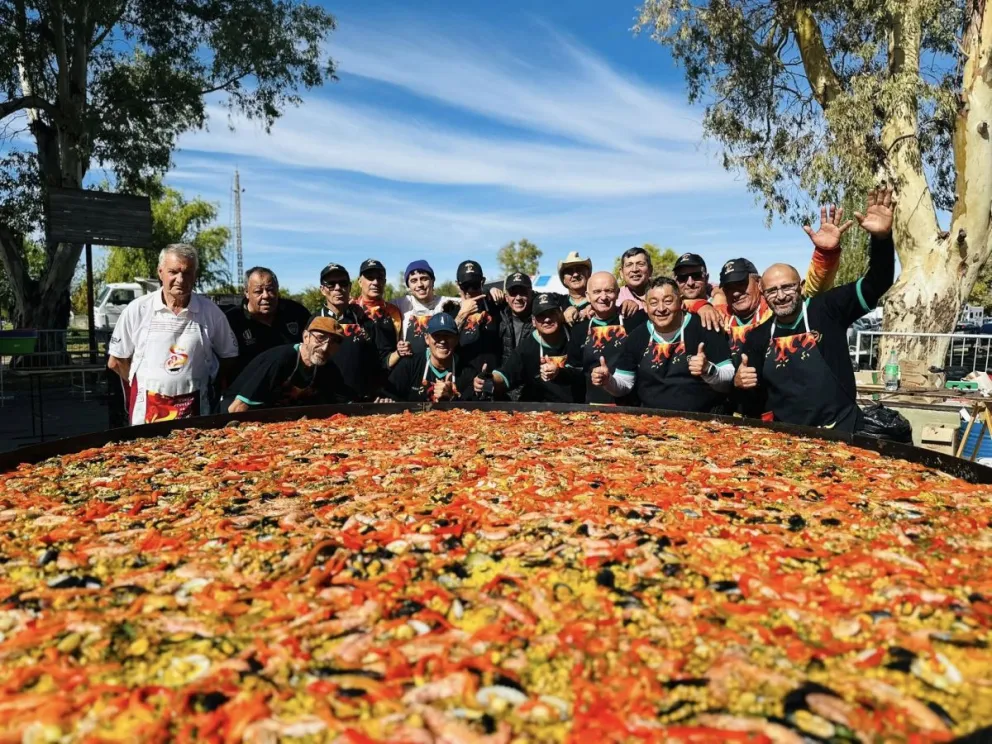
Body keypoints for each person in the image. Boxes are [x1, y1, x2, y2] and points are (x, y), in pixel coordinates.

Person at [735, 188, 895, 433]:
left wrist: (882, 239)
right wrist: (740, 384)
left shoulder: (828, 309)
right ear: (763, 295)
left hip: (842, 430)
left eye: (787, 287)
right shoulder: (757, 338)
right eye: (772, 291)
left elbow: (877, 282)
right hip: (787, 438)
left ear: (800, 286)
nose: (780, 296)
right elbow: (755, 404)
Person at [108, 243, 239, 425]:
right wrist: (142, 385)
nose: (180, 279)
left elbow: (229, 356)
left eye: (187, 273)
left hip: (197, 409)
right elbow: (116, 361)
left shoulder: (211, 312)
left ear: (195, 276)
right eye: (174, 272)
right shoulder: (138, 309)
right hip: (147, 412)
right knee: (147, 451)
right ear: (160, 272)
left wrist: (208, 381)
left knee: (198, 450)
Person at [593, 277, 733, 412]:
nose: (661, 308)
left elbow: (729, 378)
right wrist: (608, 381)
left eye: (668, 301)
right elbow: (624, 384)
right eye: (653, 303)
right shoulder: (637, 336)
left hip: (702, 421)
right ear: (646, 307)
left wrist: (708, 369)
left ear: (680, 302)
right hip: (650, 422)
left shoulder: (704, 327)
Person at [222, 316, 344, 412]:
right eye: (320, 338)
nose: (325, 348)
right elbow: (238, 408)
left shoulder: (327, 366)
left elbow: (341, 403)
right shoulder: (281, 359)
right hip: (234, 412)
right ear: (306, 337)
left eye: (333, 342)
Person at [477, 293, 581, 403]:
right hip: (539, 413)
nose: (546, 319)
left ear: (560, 314)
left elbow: (581, 372)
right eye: (541, 315)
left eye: (551, 313)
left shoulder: (576, 336)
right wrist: (489, 378)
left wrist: (559, 372)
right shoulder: (526, 348)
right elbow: (505, 374)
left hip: (577, 409)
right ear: (533, 321)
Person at [566, 271, 647, 405]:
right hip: (593, 406)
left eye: (608, 291)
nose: (603, 297)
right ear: (588, 296)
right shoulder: (579, 329)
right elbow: (574, 370)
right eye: (597, 292)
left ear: (617, 293)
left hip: (632, 406)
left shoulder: (634, 321)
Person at [313, 262, 385, 401]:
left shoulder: (364, 321)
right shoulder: (314, 322)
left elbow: (377, 360)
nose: (338, 288)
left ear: (350, 287)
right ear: (322, 289)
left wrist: (379, 392)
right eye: (331, 284)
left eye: (343, 283)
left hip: (363, 401)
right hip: (325, 402)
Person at [224, 267, 311, 376]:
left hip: (293, 387)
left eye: (270, 290)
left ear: (277, 289)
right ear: (246, 292)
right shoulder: (231, 320)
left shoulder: (296, 311)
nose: (265, 296)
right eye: (258, 291)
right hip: (250, 388)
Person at [378, 313, 475, 402]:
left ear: (456, 340)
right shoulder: (409, 365)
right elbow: (388, 395)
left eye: (447, 336)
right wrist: (385, 401)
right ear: (427, 339)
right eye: (437, 336)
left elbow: (473, 412)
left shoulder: (467, 372)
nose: (442, 341)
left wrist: (452, 397)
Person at [392, 260, 459, 361]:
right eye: (414, 281)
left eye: (424, 279)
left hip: (440, 366)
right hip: (410, 367)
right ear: (408, 286)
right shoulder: (401, 304)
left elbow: (473, 299)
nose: (419, 284)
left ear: (432, 281)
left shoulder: (447, 303)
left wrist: (489, 291)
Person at [353, 258, 402, 370]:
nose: (375, 282)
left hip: (388, 377)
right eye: (370, 278)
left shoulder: (394, 311)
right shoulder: (351, 309)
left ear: (384, 282)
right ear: (359, 282)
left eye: (379, 278)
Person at [499, 272, 535, 365]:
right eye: (513, 293)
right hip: (503, 376)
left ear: (531, 294)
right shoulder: (499, 316)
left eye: (523, 292)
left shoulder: (540, 319)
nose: (518, 298)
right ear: (506, 298)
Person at [556, 252, 593, 324]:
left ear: (588, 274)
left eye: (579, 269)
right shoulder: (557, 303)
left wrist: (595, 308)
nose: (575, 274)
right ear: (563, 279)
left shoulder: (599, 302)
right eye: (569, 271)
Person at [615, 247, 653, 313]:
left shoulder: (663, 292)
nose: (635, 269)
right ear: (621, 272)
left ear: (650, 270)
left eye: (640, 264)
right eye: (629, 265)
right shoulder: (615, 298)